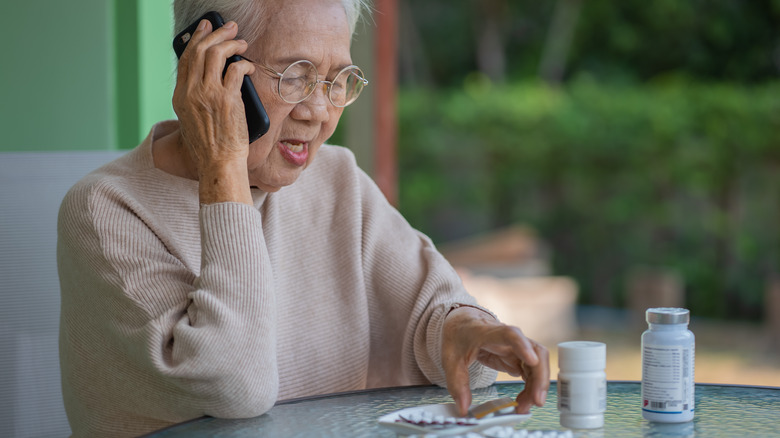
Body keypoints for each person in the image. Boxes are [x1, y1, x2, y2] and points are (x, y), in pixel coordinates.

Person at [57, 0, 550, 436]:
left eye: (338, 80)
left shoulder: (336, 179)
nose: (318, 111)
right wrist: (223, 167)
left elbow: (435, 314)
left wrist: (465, 331)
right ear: (209, 67)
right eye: (295, 74)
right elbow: (235, 388)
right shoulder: (105, 211)